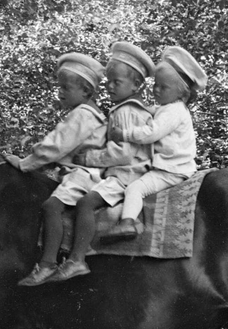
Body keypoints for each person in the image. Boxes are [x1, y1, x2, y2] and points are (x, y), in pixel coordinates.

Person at [36, 41, 157, 284]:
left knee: (85, 203)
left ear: (136, 85)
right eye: (108, 81)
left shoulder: (125, 112)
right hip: (125, 172)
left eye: (116, 82)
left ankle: (76, 259)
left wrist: (89, 158)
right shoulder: (131, 110)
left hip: (125, 174)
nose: (109, 87)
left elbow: (123, 154)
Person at [8, 52, 108, 287]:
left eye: (66, 87)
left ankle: (47, 264)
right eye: (59, 87)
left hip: (84, 175)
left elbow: (56, 146)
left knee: (51, 206)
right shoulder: (92, 115)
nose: (60, 92)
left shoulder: (82, 115)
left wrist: (25, 163)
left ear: (86, 91)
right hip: (85, 172)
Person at [103, 46, 206, 242]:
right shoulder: (170, 107)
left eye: (163, 87)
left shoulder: (173, 112)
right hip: (172, 166)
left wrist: (125, 134)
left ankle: (127, 222)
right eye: (155, 85)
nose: (156, 90)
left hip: (170, 169)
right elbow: (153, 110)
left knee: (135, 189)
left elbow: (151, 133)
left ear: (182, 94)